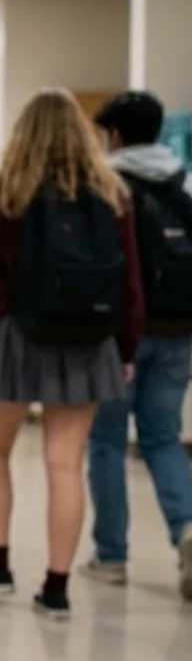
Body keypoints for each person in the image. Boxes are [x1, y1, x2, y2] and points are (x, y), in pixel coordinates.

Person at [0, 87, 143, 619]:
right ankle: (56, 588)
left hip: (17, 336)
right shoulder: (110, 192)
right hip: (89, 342)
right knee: (65, 463)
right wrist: (126, 345)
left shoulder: (3, 189)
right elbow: (130, 281)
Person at [83, 89, 192, 596]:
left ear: (116, 134)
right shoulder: (182, 180)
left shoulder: (106, 184)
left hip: (119, 334)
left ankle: (111, 556)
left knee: (106, 441)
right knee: (164, 438)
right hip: (178, 330)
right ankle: (187, 529)